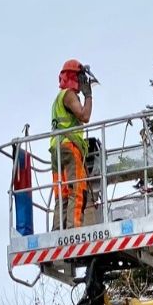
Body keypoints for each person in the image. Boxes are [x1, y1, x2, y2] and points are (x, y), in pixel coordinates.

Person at [50, 59, 93, 229]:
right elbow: (85, 116)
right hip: (69, 148)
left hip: (57, 150)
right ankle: (73, 231)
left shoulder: (58, 98)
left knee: (62, 194)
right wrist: (88, 95)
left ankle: (57, 231)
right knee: (77, 190)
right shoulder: (68, 95)